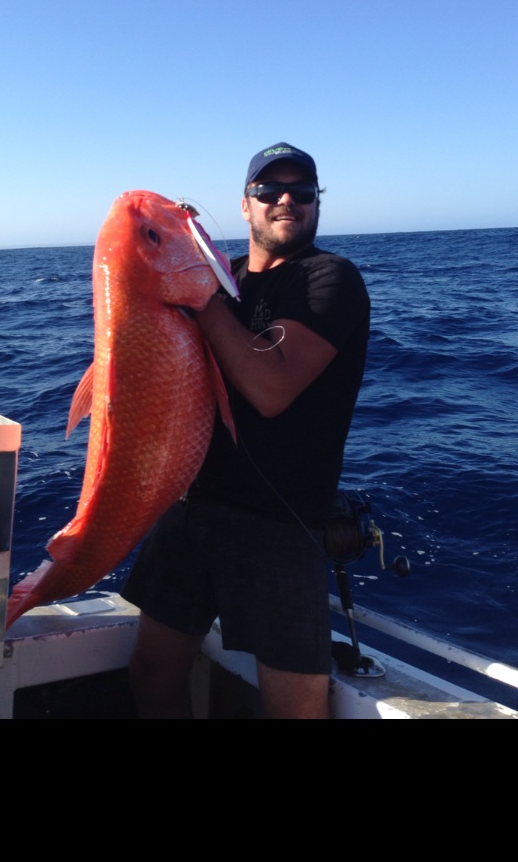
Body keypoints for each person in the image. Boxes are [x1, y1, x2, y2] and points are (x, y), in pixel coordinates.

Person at [124, 142, 370, 719]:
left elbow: (270, 387)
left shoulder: (329, 279)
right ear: (244, 204)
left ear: (316, 203)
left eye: (301, 191)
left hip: (279, 524)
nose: (286, 200)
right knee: (151, 671)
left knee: (294, 709)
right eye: (268, 190)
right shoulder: (222, 278)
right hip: (192, 506)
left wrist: (197, 290)